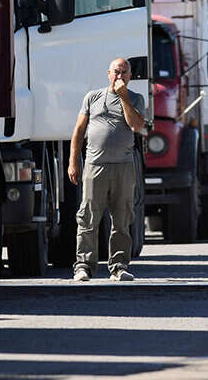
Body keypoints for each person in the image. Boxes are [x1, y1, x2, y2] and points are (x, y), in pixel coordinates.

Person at [68, 57, 145, 281]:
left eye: (124, 72)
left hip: (123, 167)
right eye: (116, 72)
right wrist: (73, 162)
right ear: (108, 74)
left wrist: (123, 97)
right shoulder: (92, 97)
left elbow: (136, 126)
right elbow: (79, 131)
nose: (119, 76)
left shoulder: (136, 98)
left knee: (122, 218)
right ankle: (84, 265)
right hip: (95, 165)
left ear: (130, 76)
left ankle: (119, 266)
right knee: (88, 217)